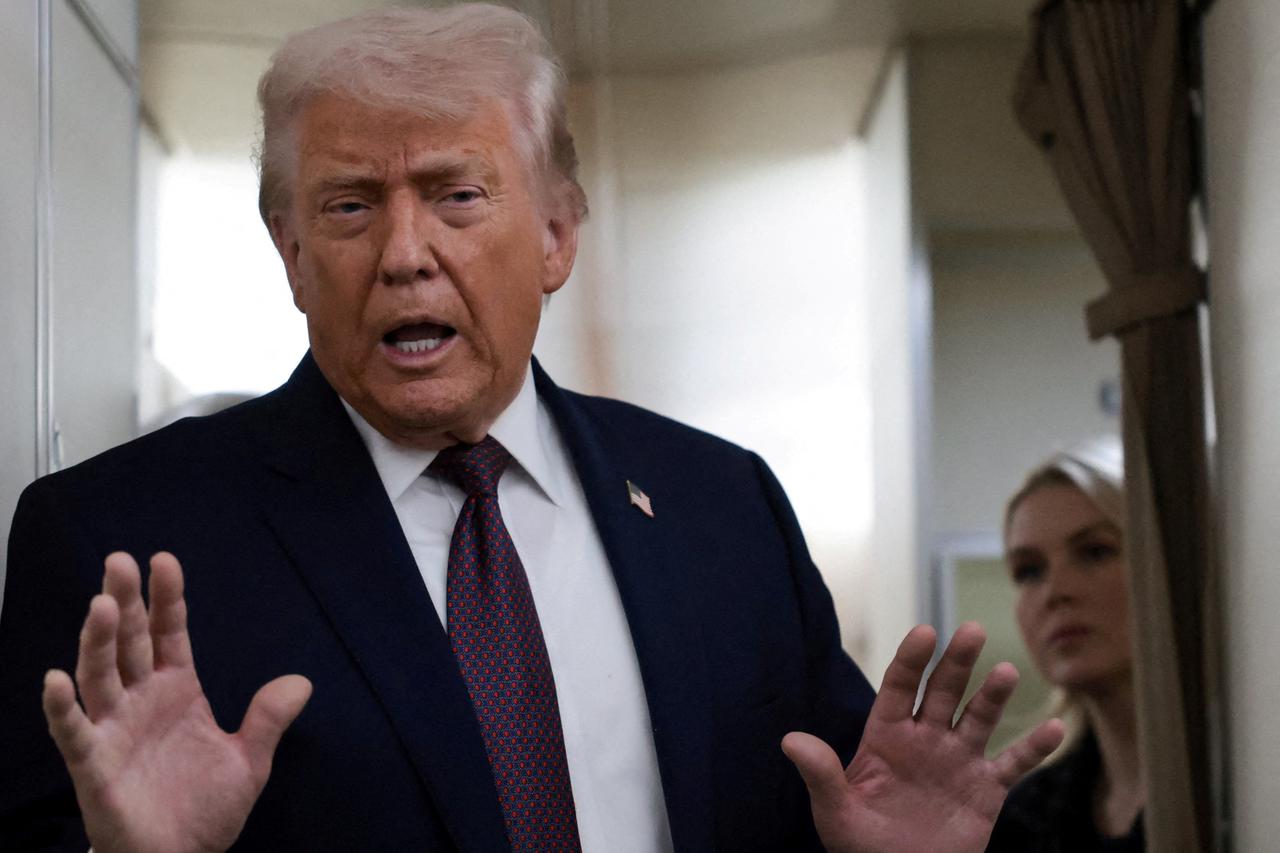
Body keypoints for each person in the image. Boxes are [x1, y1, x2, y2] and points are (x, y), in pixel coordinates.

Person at [0, 5, 1062, 851]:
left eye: (456, 195)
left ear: (556, 233)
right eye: (349, 206)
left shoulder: (719, 507)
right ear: (289, 254)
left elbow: (840, 804)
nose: (405, 253)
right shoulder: (118, 536)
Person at [987, 437, 1144, 851]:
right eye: (1029, 571)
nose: (1055, 592)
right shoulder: (1022, 817)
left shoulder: (1246, 790)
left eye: (1094, 552)